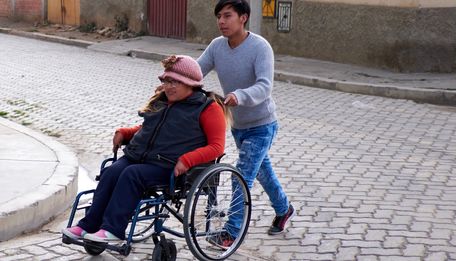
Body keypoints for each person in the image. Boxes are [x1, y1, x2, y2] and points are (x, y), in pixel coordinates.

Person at [62, 55, 228, 242]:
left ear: (191, 84)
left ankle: (113, 230)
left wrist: (187, 160)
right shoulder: (163, 101)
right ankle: (88, 225)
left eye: (175, 82)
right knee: (111, 172)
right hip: (139, 155)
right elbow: (148, 129)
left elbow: (216, 147)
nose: (168, 86)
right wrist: (125, 133)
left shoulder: (208, 108)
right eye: (166, 80)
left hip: (168, 165)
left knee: (132, 174)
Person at [197, 0, 294, 247]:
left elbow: (264, 86)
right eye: (219, 16)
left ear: (243, 17)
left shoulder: (260, 47)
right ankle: (284, 209)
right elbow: (196, 71)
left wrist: (238, 96)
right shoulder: (217, 46)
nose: (221, 21)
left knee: (241, 175)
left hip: (262, 125)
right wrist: (175, 76)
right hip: (238, 126)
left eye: (227, 16)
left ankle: (231, 232)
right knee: (263, 172)